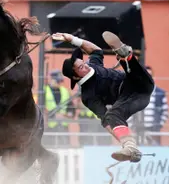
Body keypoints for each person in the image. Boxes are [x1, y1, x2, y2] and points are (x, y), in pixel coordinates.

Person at [54, 31, 154, 162]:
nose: (84, 64)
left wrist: (73, 39)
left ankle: (124, 54)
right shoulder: (88, 95)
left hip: (140, 83)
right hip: (132, 99)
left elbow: (96, 51)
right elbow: (105, 119)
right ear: (75, 76)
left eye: (82, 62)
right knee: (111, 115)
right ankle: (130, 147)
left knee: (132, 72)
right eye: (80, 67)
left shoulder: (93, 64)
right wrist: (121, 140)